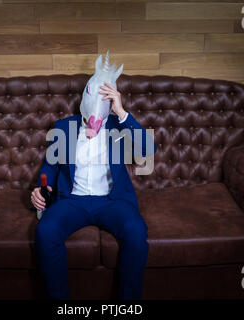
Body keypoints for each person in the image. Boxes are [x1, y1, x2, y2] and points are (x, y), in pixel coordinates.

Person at [31, 75, 156, 300]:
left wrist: (122, 112)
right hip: (72, 200)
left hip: (112, 201)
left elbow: (148, 150)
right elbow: (49, 166)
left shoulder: (120, 126)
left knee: (136, 231)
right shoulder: (64, 127)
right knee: (45, 232)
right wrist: (41, 188)